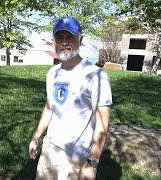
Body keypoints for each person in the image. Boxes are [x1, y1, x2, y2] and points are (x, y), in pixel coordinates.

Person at [28, 16, 112, 180]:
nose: (64, 42)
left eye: (70, 37)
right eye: (60, 38)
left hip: (76, 154)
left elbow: (103, 123)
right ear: (54, 42)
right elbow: (49, 107)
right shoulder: (52, 73)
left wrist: (92, 162)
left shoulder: (96, 75)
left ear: (80, 39)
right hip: (49, 148)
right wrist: (36, 137)